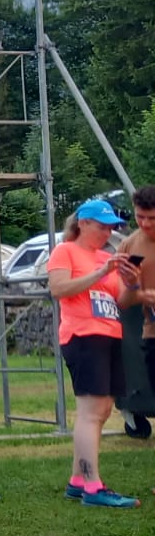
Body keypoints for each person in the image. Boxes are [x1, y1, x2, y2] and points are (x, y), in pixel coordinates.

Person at [48, 199, 140, 508]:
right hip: (82, 336)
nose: (107, 232)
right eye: (101, 226)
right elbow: (59, 288)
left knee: (100, 413)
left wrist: (130, 281)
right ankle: (93, 487)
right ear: (82, 223)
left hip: (109, 333)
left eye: (111, 227)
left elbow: (122, 301)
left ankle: (78, 480)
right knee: (89, 413)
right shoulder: (66, 251)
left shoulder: (106, 256)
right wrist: (100, 271)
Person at [117, 186, 155, 455]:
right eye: (140, 217)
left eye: (152, 218)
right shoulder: (130, 246)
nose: (145, 224)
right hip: (151, 332)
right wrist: (134, 290)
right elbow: (123, 302)